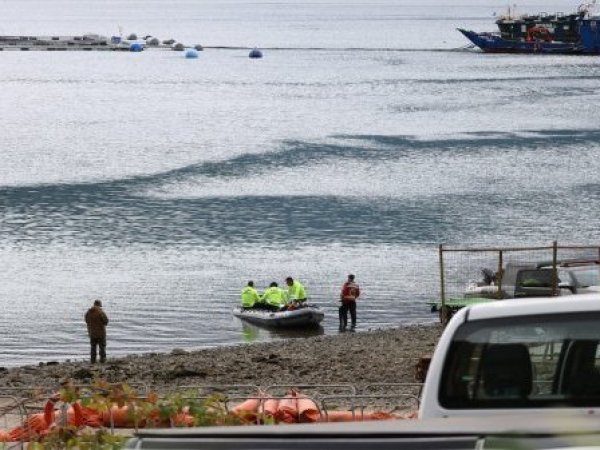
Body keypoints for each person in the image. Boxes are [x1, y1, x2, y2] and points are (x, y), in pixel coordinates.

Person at [84, 299, 109, 363]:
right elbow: (106, 321)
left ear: (94, 304)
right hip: (101, 333)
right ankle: (102, 360)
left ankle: (93, 361)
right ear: (99, 305)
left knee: (93, 347)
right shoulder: (101, 312)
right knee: (102, 347)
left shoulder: (88, 312)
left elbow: (86, 321)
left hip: (92, 333)